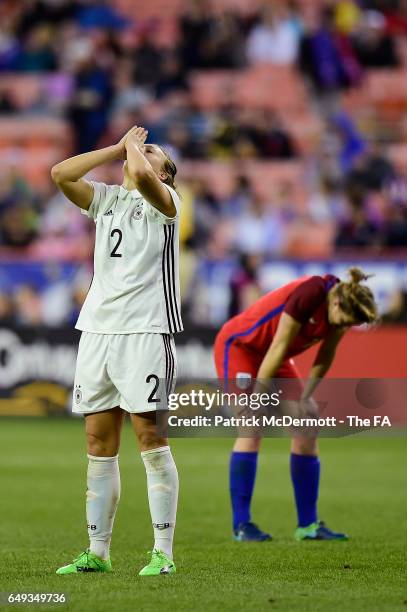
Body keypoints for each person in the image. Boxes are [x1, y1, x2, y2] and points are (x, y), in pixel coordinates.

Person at [51, 126, 182, 575]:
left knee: (150, 440)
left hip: (146, 331)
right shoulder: (108, 200)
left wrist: (132, 150)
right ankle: (98, 552)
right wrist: (115, 146)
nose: (141, 155)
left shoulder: (166, 203)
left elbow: (145, 179)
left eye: (151, 153)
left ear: (167, 173)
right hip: (97, 331)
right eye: (139, 149)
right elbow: (60, 174)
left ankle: (162, 553)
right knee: (97, 444)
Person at [214, 268, 377, 542]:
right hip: (241, 347)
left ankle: (308, 525)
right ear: (335, 304)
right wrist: (259, 397)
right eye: (343, 321)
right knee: (251, 427)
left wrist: (305, 398)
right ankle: (241, 525)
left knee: (307, 423)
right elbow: (278, 346)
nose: (341, 327)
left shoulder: (341, 310)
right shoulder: (310, 294)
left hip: (272, 355)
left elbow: (325, 356)